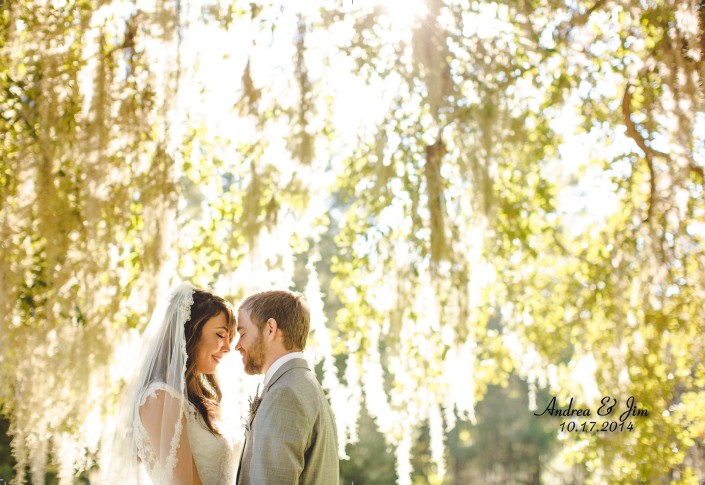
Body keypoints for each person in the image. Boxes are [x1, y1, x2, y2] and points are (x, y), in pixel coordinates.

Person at [104, 282, 238, 484]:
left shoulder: (193, 398)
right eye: (220, 335)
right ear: (190, 332)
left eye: (230, 338)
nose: (228, 347)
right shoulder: (160, 397)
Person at [234, 289, 339, 485]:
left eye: (242, 333)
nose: (237, 345)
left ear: (270, 329)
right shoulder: (305, 385)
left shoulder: (285, 394)